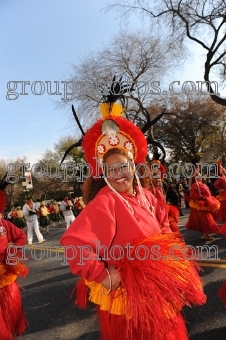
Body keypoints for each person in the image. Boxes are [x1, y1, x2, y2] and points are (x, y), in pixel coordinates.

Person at [60, 99, 206, 340]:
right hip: (131, 298)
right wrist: (103, 276)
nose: (119, 174)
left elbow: (163, 227)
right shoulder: (105, 201)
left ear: (133, 166)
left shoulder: (145, 195)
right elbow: (75, 246)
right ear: (103, 175)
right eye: (111, 169)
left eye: (123, 166)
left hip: (156, 289)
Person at [0, 190, 29, 339]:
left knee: (11, 310)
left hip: (6, 273)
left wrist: (13, 250)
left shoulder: (4, 225)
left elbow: (20, 236)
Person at [185, 176, 221, 240]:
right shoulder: (195, 185)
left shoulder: (202, 184)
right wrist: (203, 197)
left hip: (206, 202)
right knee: (205, 220)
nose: (201, 176)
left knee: (206, 219)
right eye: (199, 175)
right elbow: (193, 195)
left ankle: (205, 234)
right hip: (201, 205)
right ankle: (205, 235)